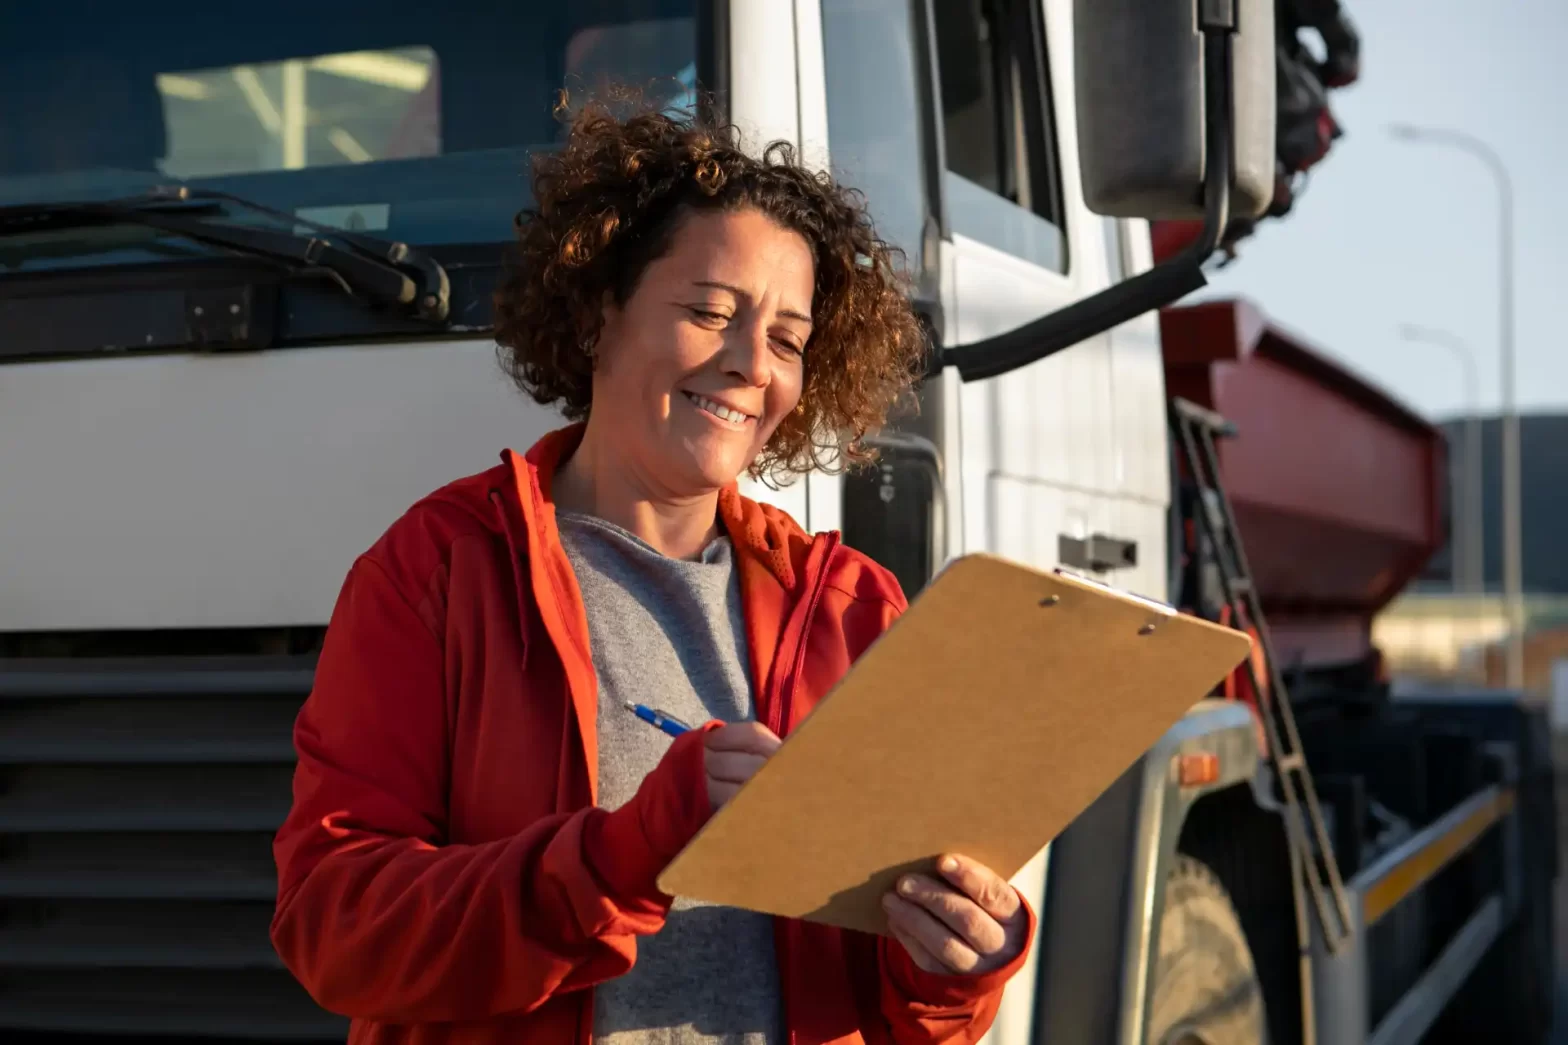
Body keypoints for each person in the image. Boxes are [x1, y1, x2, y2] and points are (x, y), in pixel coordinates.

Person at [270, 98, 1035, 1045]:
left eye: (790, 340)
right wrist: (619, 854)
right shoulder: (435, 571)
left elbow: (907, 1015)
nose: (754, 364)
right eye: (712, 311)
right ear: (598, 313)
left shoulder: (854, 610)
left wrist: (958, 966)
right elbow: (335, 929)